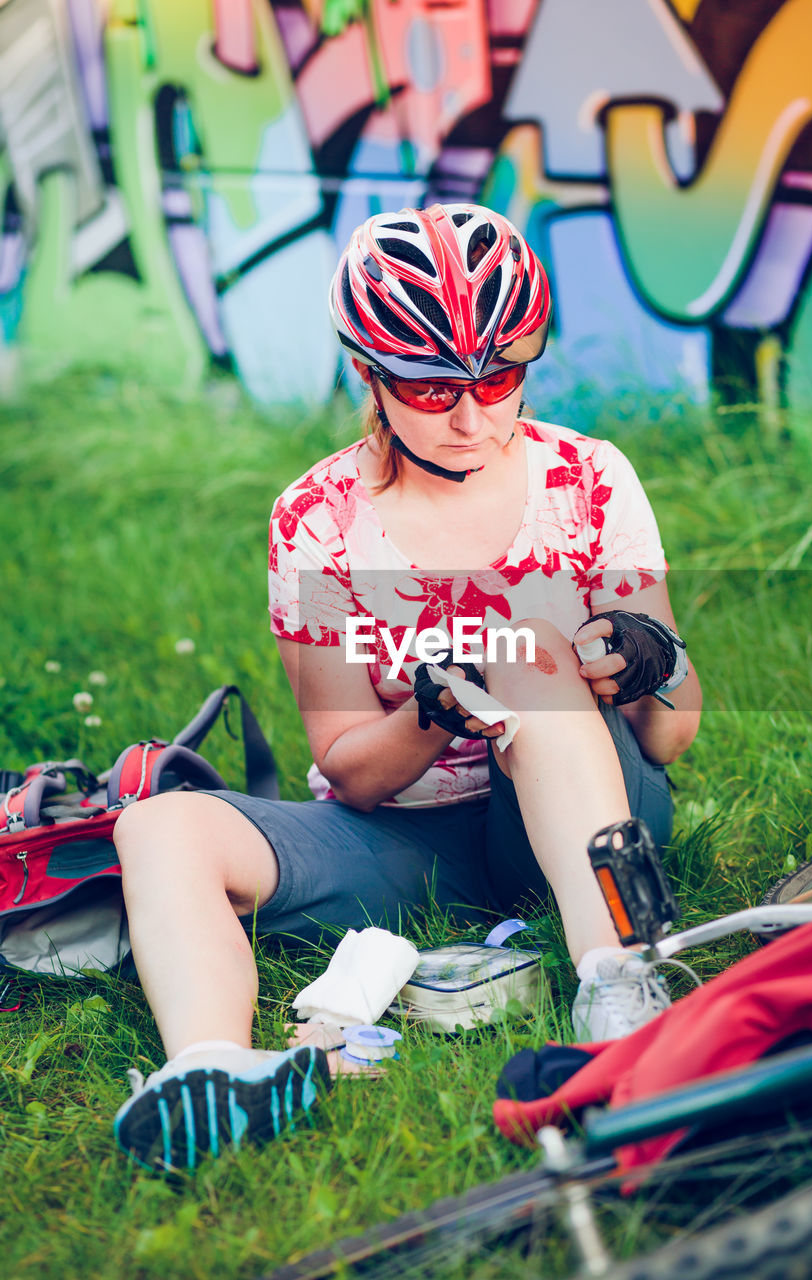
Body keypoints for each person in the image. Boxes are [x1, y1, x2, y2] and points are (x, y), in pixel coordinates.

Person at [112, 203, 702, 1171]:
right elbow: (352, 775)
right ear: (369, 374)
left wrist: (650, 656)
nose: (473, 417)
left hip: (588, 804)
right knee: (156, 825)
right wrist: (431, 710)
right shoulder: (316, 515)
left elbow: (671, 737)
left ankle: (618, 985)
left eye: (499, 376)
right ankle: (214, 1071)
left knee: (525, 650)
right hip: (407, 832)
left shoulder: (589, 478)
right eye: (431, 388)